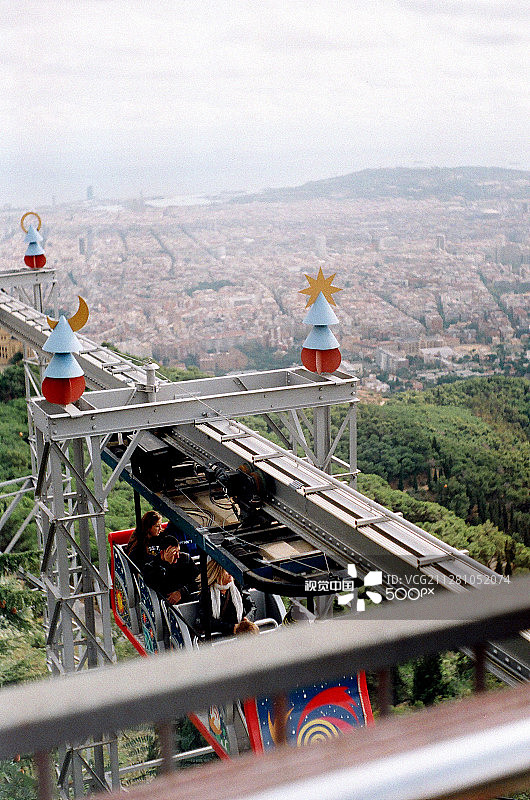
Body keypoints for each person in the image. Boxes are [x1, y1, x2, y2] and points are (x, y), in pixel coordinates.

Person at [197, 559, 258, 636]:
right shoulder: (207, 593)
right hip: (220, 637)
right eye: (227, 570)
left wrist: (247, 619)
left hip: (242, 634)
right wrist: (232, 628)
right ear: (217, 573)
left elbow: (252, 606)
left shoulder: (238, 587)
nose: (230, 573)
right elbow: (206, 621)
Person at [143, 534, 199, 605]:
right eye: (174, 553)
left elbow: (198, 580)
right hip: (166, 606)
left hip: (188, 600)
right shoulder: (151, 568)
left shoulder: (185, 559)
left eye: (178, 551)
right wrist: (167, 563)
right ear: (162, 553)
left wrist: (181, 592)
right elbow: (161, 586)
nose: (177, 556)